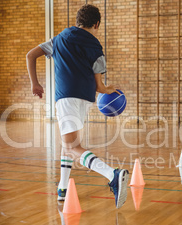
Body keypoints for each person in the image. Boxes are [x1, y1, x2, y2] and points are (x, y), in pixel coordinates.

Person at [26, 4, 129, 208]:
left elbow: (30, 55)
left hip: (66, 98)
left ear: (77, 21)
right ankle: (63, 189)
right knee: (69, 145)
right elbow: (99, 86)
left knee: (72, 147)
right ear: (96, 24)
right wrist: (108, 89)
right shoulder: (96, 47)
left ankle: (112, 174)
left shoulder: (59, 39)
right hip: (86, 100)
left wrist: (35, 83)